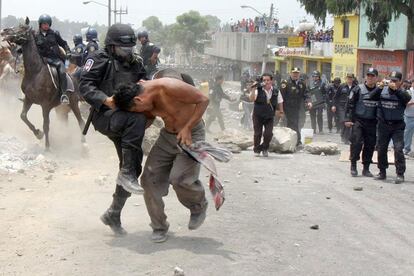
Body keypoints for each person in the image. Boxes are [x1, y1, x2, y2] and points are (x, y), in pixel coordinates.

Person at [112, 78, 210, 243]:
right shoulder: (140, 96)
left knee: (180, 179)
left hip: (191, 133)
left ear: (138, 100)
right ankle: (159, 226)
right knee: (148, 181)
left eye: (137, 109)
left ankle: (198, 206)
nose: (139, 113)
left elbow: (203, 99)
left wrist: (187, 128)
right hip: (167, 136)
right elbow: (147, 117)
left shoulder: (169, 87)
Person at [79, 24, 147, 235]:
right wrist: (104, 100)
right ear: (111, 45)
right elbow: (85, 85)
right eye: (123, 48)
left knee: (135, 166)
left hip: (127, 119)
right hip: (105, 116)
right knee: (136, 119)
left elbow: (146, 82)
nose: (127, 52)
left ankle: (113, 213)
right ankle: (126, 173)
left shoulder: (135, 63)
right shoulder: (98, 58)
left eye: (130, 48)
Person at [374, 71, 412, 183]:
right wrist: (379, 87)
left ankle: (400, 174)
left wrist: (396, 89)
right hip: (383, 125)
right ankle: (382, 172)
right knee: (381, 148)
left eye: (395, 81)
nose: (393, 82)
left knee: (399, 149)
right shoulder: (383, 90)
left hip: (397, 125)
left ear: (400, 82)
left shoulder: (403, 92)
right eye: (391, 80)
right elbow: (372, 97)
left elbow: (407, 99)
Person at [344, 68, 379, 177]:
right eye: (368, 75)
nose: (370, 77)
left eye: (372, 76)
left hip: (372, 122)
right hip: (359, 121)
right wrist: (347, 119)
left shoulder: (379, 91)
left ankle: (366, 168)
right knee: (356, 143)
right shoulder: (357, 89)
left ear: (376, 78)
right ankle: (353, 166)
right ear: (365, 77)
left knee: (370, 145)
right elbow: (349, 105)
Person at [35, 14, 71, 104]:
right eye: (44, 24)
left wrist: (68, 51)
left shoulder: (55, 33)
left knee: (63, 72)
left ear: (50, 24)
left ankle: (64, 95)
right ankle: (28, 94)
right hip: (42, 60)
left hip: (55, 60)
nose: (46, 25)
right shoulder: (35, 35)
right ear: (40, 24)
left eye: (47, 24)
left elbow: (63, 43)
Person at [249, 73, 284, 157]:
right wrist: (253, 89)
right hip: (258, 115)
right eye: (264, 80)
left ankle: (264, 148)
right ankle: (257, 150)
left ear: (271, 81)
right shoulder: (258, 89)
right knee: (258, 133)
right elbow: (251, 99)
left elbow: (280, 102)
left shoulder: (276, 90)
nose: (266, 82)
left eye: (268, 80)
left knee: (268, 134)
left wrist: (281, 112)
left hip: (269, 116)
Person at [280, 67, 312, 148]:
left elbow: (306, 93)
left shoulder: (301, 83)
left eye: (297, 73)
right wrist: (280, 110)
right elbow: (280, 97)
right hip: (287, 108)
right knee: (291, 124)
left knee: (297, 124)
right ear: (290, 73)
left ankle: (294, 141)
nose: (295, 75)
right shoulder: (285, 83)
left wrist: (308, 101)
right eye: (294, 73)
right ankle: (296, 141)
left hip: (297, 108)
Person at [333, 73, 356, 143]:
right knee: (343, 121)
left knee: (348, 121)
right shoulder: (342, 86)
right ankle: (343, 135)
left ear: (353, 79)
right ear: (346, 78)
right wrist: (333, 105)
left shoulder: (356, 87)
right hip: (341, 107)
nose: (349, 79)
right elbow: (335, 97)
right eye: (348, 78)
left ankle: (346, 138)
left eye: (351, 78)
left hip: (350, 107)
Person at [404, 80, 414, 155]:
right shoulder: (408, 92)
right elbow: (404, 103)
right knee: (407, 133)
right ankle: (406, 149)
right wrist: (412, 103)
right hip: (409, 116)